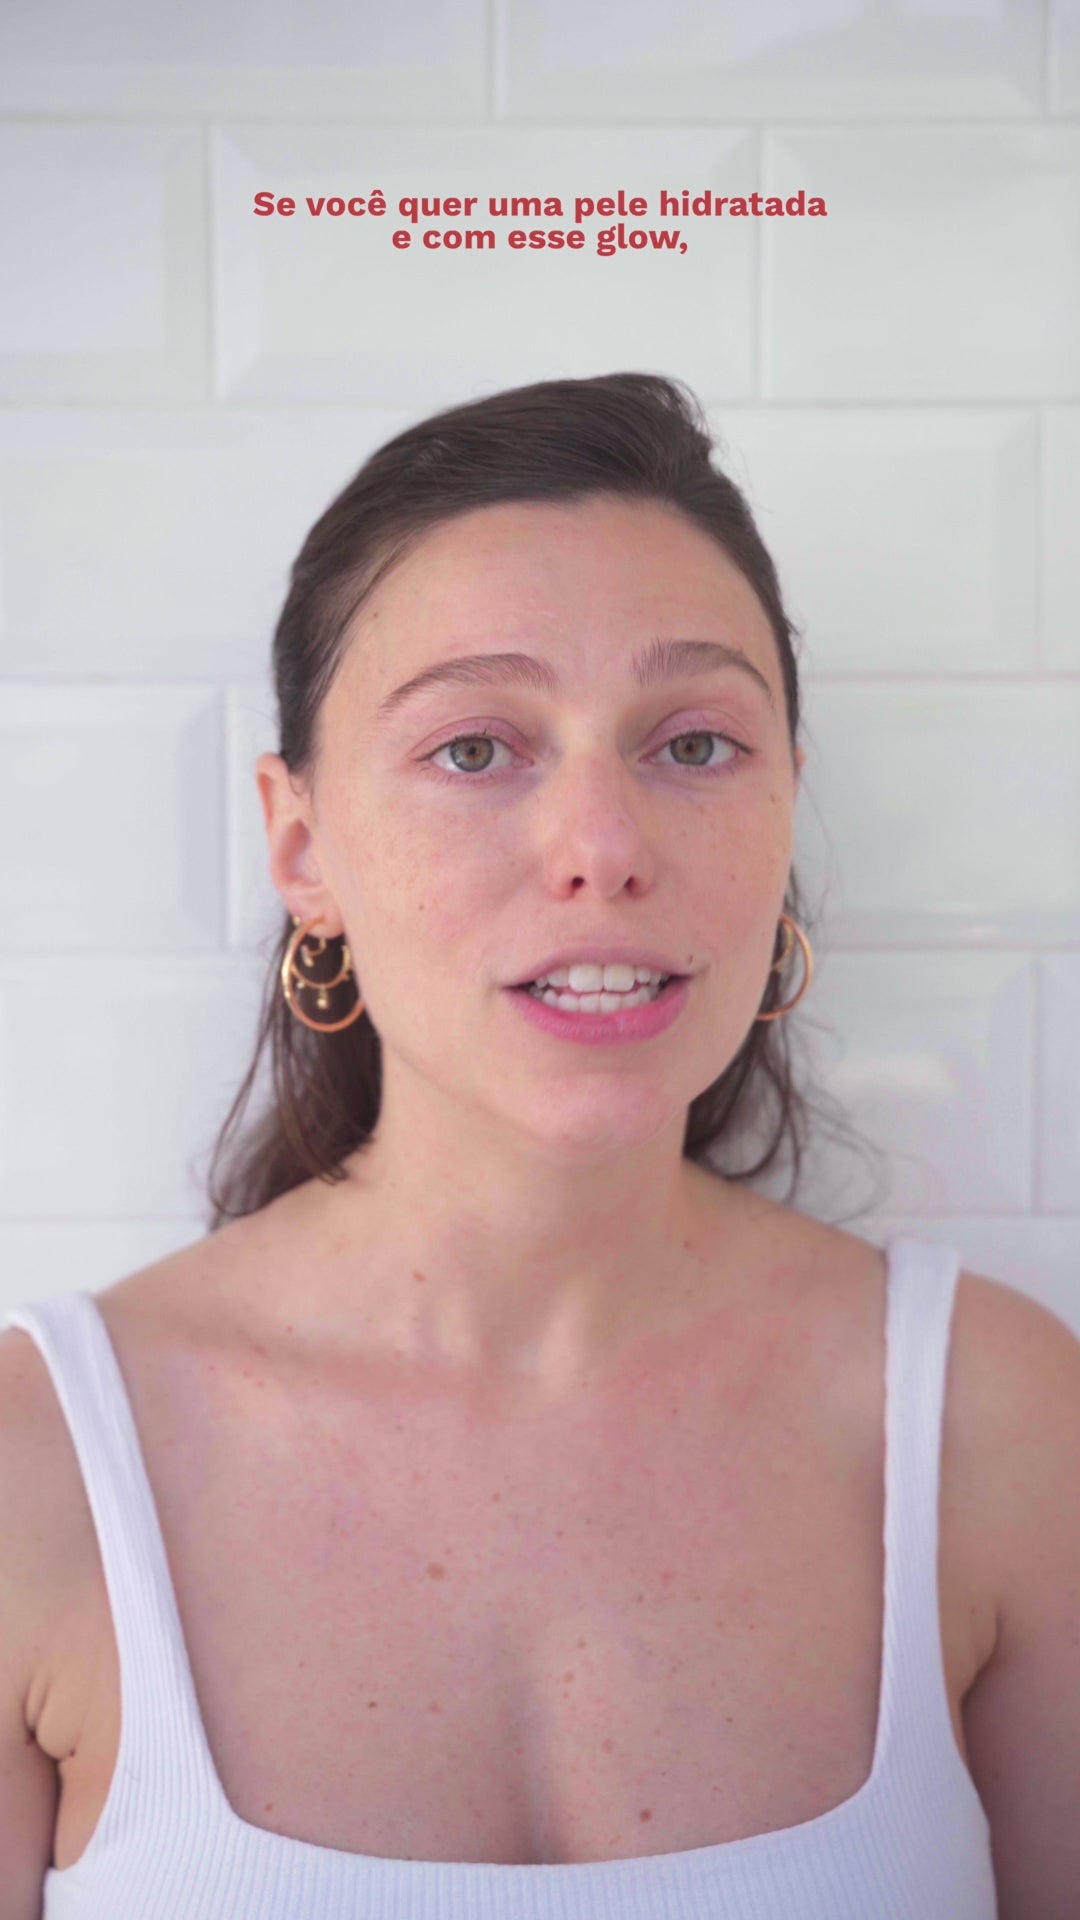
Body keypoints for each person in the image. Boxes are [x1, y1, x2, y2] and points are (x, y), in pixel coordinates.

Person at [1, 372, 1077, 1919]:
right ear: (301, 846)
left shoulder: (1004, 1423)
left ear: (787, 806)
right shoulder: (37, 1469)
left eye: (693, 746)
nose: (604, 850)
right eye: (474, 750)